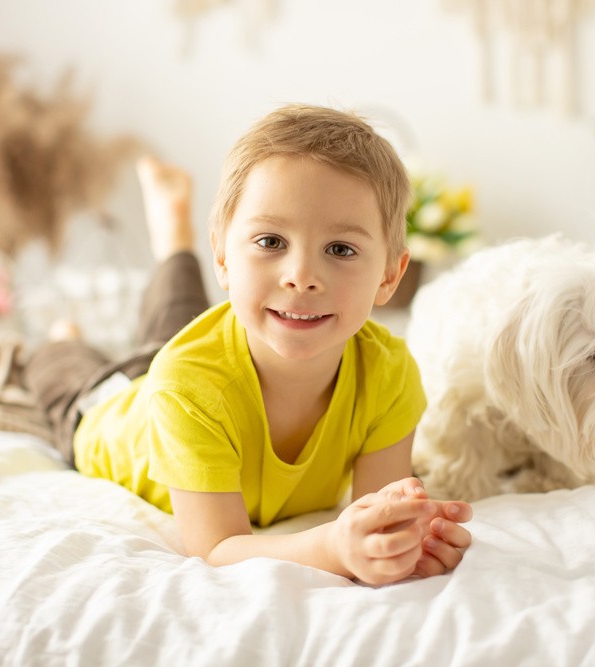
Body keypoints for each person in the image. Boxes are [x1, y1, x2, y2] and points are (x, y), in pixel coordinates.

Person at [25, 104, 473, 586]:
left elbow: (380, 510)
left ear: (390, 276)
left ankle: (174, 239)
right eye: (271, 242)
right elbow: (217, 548)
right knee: (67, 366)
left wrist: (405, 542)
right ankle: (66, 334)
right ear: (222, 256)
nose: (301, 277)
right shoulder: (187, 384)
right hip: (108, 401)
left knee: (176, 326)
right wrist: (332, 547)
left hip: (220, 347)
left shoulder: (389, 372)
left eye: (340, 249)